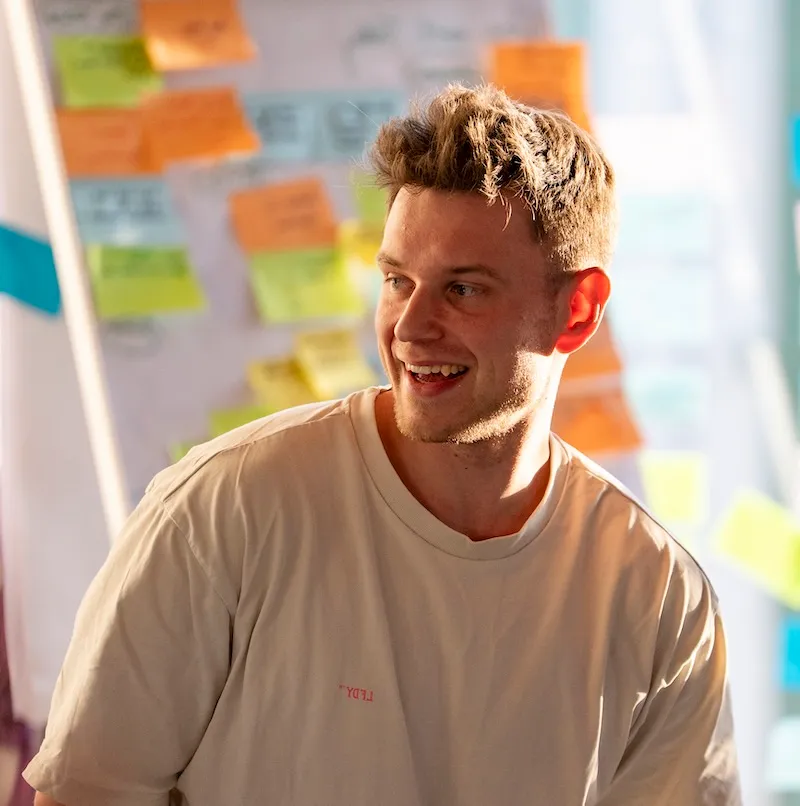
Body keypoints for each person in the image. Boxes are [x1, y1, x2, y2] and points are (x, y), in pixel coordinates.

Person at [26, 84, 741, 805]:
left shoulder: (655, 595)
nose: (409, 328)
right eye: (398, 280)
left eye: (463, 290)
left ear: (578, 311)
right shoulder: (225, 509)